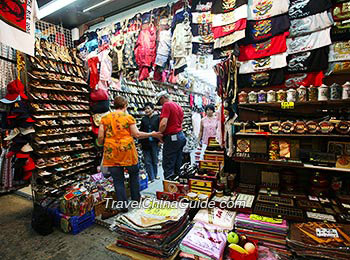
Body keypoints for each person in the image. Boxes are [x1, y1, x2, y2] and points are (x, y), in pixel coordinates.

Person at [97, 96, 162, 214]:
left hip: (112, 153)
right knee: (133, 174)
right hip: (127, 152)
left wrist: (104, 144)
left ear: (113, 105)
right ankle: (136, 199)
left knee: (118, 180)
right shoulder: (128, 117)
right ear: (125, 106)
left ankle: (123, 205)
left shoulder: (105, 118)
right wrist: (151, 134)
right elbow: (136, 134)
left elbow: (100, 137)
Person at [155, 91, 186, 179]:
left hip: (172, 137)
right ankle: (177, 183)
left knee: (168, 163)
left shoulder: (167, 105)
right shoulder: (178, 106)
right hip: (180, 136)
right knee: (177, 162)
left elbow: (164, 123)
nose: (160, 104)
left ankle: (169, 186)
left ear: (163, 98)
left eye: (160, 101)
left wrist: (159, 133)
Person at [139, 102, 160, 183]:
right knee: (147, 161)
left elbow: (159, 130)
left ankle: (155, 174)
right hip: (145, 142)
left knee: (155, 159)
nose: (146, 110)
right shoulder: (144, 119)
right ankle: (151, 177)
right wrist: (140, 141)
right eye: (145, 109)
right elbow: (141, 131)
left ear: (152, 109)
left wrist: (160, 141)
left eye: (148, 108)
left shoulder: (157, 118)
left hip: (155, 142)